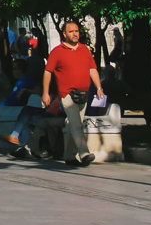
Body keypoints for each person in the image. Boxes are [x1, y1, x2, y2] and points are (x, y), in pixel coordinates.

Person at [44, 19, 106, 166]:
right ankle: (84, 153)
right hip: (67, 95)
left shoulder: (84, 50)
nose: (74, 34)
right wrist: (46, 93)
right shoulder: (57, 52)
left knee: (73, 125)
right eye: (71, 31)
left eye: (76, 31)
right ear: (64, 34)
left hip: (83, 94)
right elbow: (48, 72)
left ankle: (69, 156)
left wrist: (99, 88)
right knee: (76, 124)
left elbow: (92, 69)